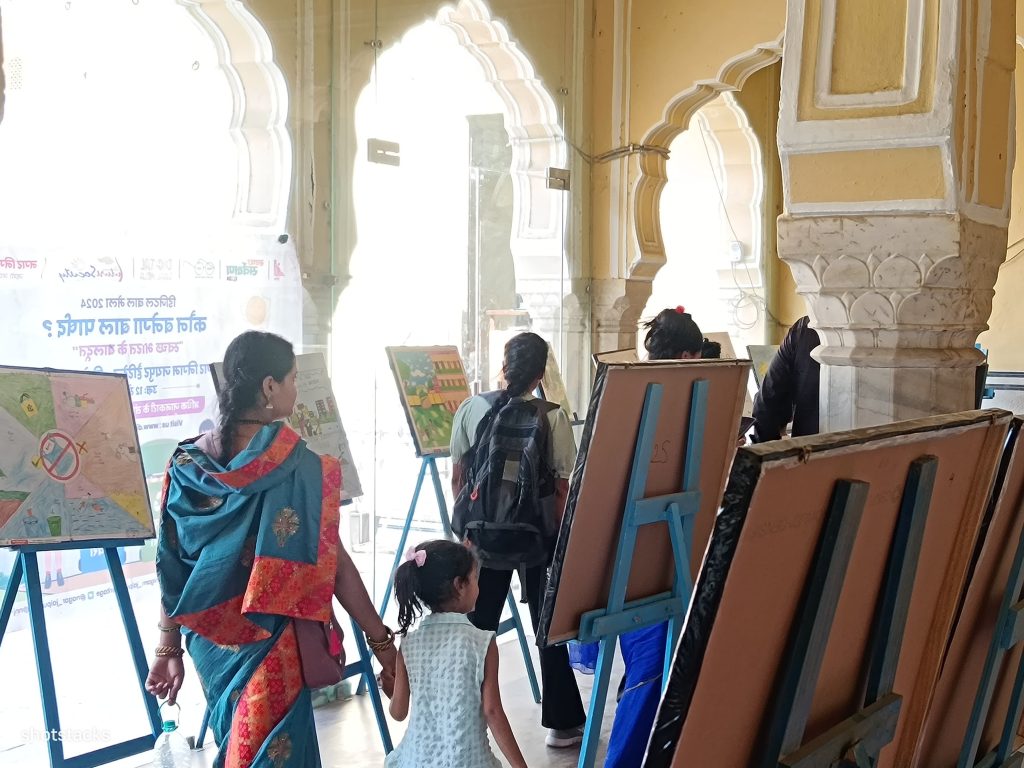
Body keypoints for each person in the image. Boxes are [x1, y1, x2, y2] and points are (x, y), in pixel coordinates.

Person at [145, 330, 398, 767]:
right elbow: (335, 567)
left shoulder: (185, 467)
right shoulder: (297, 467)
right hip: (272, 641)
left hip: (209, 644)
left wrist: (169, 648)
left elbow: (173, 569)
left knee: (245, 749)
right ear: (269, 387)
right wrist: (382, 643)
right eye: (293, 379)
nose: (296, 389)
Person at [449, 331, 587, 748]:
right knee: (548, 627)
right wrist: (558, 542)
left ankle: (463, 722)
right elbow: (561, 489)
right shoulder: (553, 416)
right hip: (537, 541)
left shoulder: (471, 408)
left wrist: (467, 533)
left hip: (482, 539)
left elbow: (458, 478)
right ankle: (562, 724)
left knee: (479, 629)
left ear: (503, 366)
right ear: (540, 374)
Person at [386, 540, 528, 768]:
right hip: (467, 761)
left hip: (416, 761)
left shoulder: (409, 644)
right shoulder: (481, 642)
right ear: (459, 585)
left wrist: (391, 690)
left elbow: (398, 712)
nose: (478, 587)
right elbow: (492, 711)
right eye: (475, 578)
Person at [751, 315, 820, 442]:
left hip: (808, 448)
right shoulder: (803, 331)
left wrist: (765, 450)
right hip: (857, 450)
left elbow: (767, 403)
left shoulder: (804, 330)